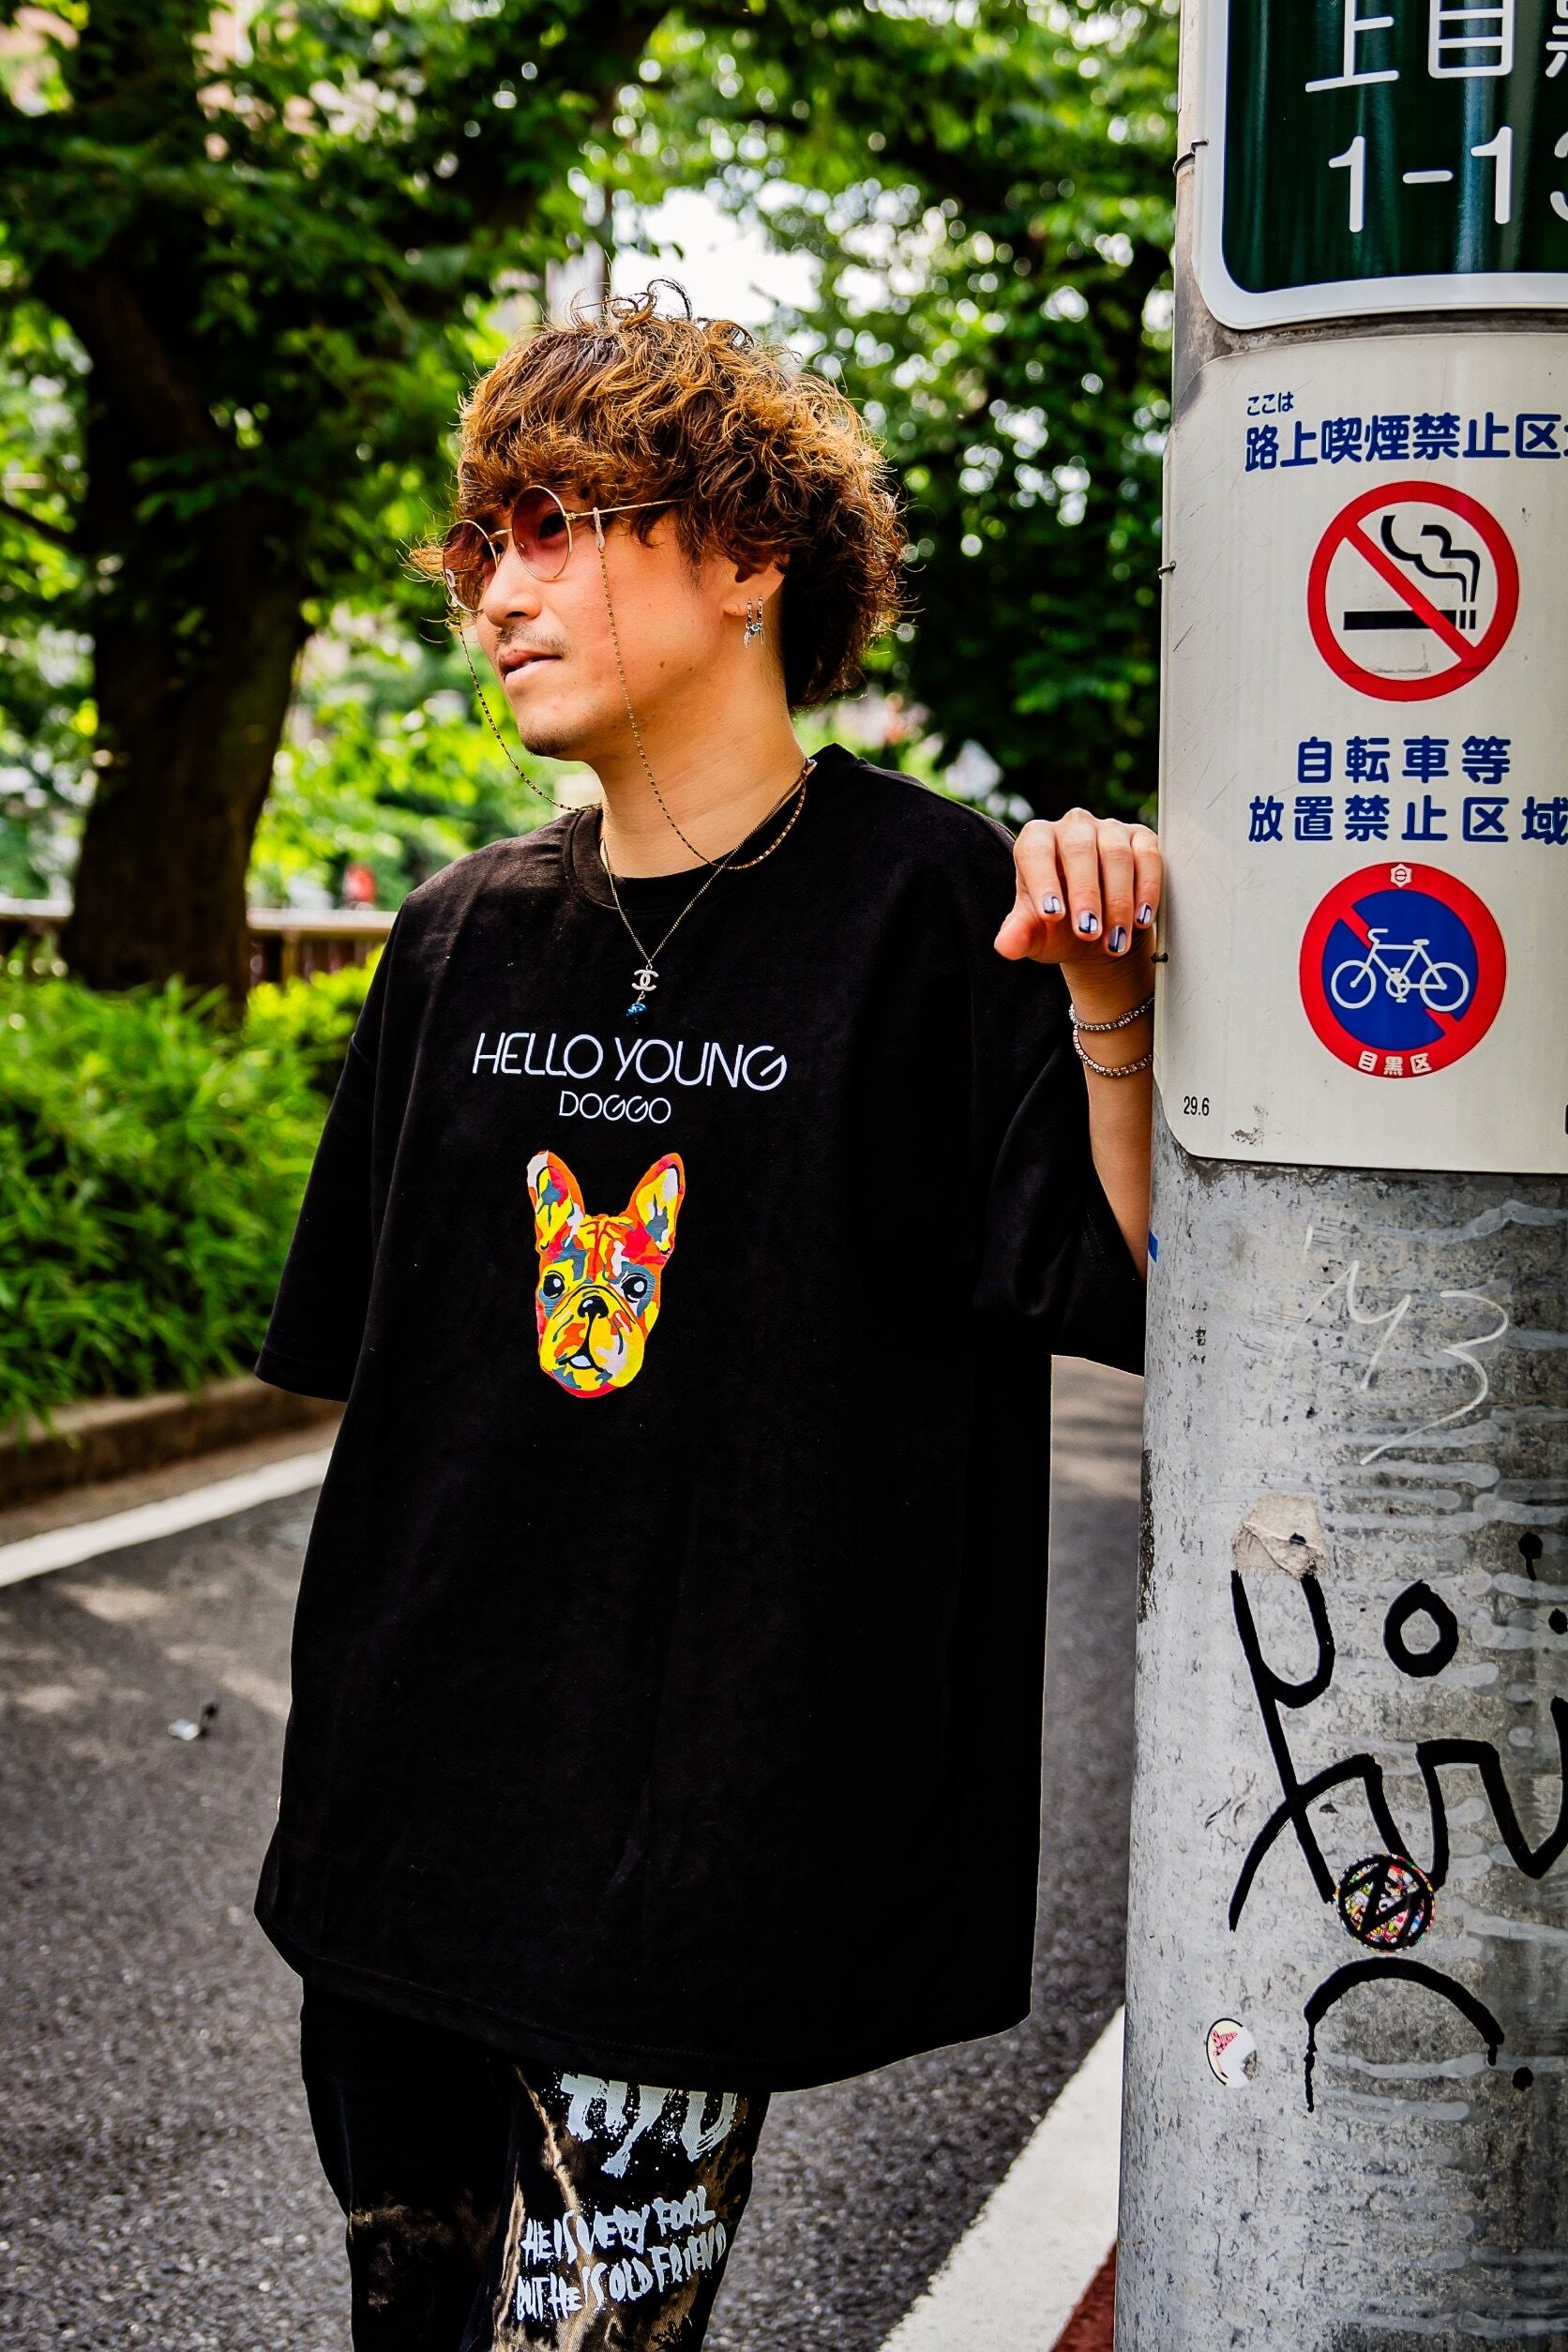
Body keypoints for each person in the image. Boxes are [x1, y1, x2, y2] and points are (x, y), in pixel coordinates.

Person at [255, 284, 1160, 2351]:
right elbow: (391, 1394)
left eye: (556, 525)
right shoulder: (457, 932)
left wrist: (1107, 997)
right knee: (407, 2324)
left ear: (751, 558)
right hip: (404, 1824)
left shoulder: (940, 908)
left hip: (696, 1844)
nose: (501, 590)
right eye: (483, 545)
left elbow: (1133, 1288)